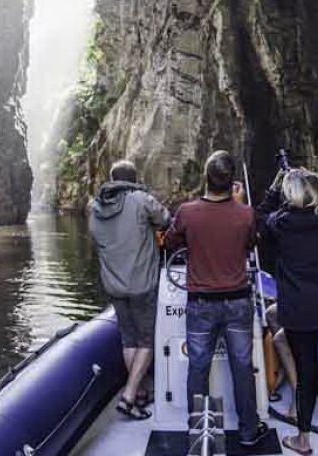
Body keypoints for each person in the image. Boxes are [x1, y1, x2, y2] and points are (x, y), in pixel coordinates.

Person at [165, 150, 270, 447]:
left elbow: (172, 240)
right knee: (242, 366)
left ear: (206, 178)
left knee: (198, 367)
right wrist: (239, 207)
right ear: (232, 182)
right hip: (238, 302)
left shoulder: (186, 212)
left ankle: (198, 432)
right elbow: (250, 243)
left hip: (200, 304)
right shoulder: (246, 213)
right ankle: (249, 432)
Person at [257, 168, 318, 455]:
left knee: (307, 374)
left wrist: (275, 188)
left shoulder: (281, 223)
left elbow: (259, 221)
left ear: (290, 196)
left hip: (299, 309)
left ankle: (302, 439)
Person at [89, 159, 170, 420]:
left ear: (112, 179)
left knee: (129, 339)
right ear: (132, 180)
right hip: (142, 284)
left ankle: (142, 392)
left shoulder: (95, 208)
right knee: (146, 340)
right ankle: (129, 395)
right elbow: (166, 219)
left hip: (114, 285)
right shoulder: (140, 199)